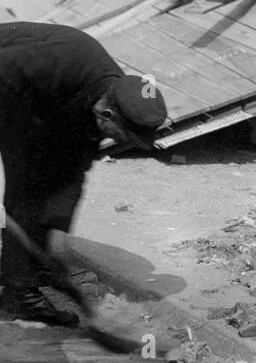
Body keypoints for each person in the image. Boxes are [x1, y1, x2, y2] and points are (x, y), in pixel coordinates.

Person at [0, 22, 167, 325]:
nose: (122, 143)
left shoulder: (101, 109)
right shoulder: (58, 63)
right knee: (25, 188)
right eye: (123, 136)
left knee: (37, 192)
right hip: (8, 80)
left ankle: (19, 293)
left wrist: (58, 234)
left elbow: (70, 176)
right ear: (107, 115)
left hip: (32, 104)